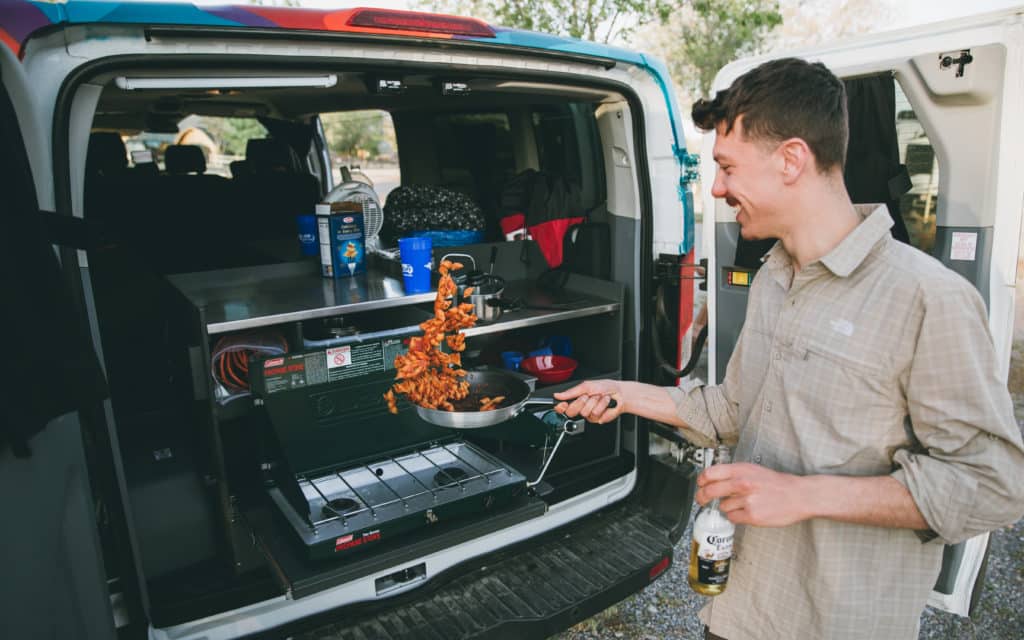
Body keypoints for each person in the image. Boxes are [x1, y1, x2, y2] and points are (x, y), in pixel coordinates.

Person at [553, 57, 1024, 640]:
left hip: (836, 624)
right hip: (741, 610)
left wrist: (804, 495)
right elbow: (731, 410)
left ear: (792, 159)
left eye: (726, 167)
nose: (718, 188)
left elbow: (994, 484)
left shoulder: (928, 298)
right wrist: (624, 393)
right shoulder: (774, 277)